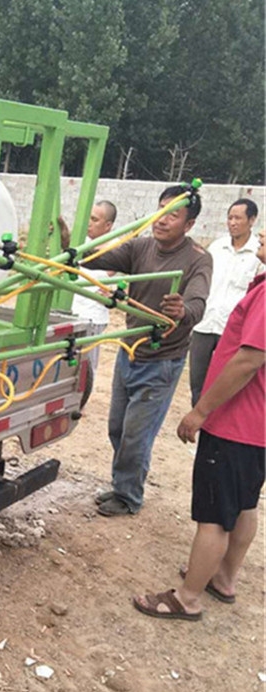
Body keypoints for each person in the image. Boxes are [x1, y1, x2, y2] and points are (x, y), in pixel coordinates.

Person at [133, 230, 265, 621]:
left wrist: (201, 411)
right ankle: (223, 578)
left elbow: (249, 360)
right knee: (244, 504)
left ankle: (187, 598)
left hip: (235, 424)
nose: (263, 233)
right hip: (256, 426)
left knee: (213, 516)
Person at [89, 185, 212, 516]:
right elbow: (97, 257)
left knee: (136, 435)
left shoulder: (198, 259)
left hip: (162, 361)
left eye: (173, 213)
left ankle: (129, 497)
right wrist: (72, 246)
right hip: (130, 351)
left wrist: (182, 310)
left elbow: (198, 303)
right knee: (118, 427)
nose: (163, 219)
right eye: (161, 210)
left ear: (189, 224)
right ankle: (122, 484)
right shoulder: (140, 247)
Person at [189, 198, 261, 405]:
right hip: (205, 324)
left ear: (251, 220)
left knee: (224, 381)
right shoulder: (216, 248)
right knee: (197, 381)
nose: (233, 222)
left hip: (232, 331)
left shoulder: (258, 253)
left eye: (238, 218)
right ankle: (199, 421)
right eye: (230, 218)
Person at [71, 200, 117, 372]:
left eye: (94, 219)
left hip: (92, 317)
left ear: (108, 226)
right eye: (88, 218)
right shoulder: (81, 241)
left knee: (85, 368)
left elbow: (104, 267)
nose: (89, 223)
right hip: (70, 312)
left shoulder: (115, 247)